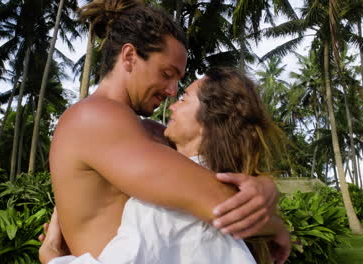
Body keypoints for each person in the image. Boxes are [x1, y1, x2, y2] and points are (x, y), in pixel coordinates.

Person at [40, 0, 285, 263]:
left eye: (177, 80)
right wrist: (277, 229)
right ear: (130, 57)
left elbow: (218, 166)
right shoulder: (94, 117)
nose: (171, 91)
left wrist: (265, 187)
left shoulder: (148, 132)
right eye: (166, 74)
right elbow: (217, 202)